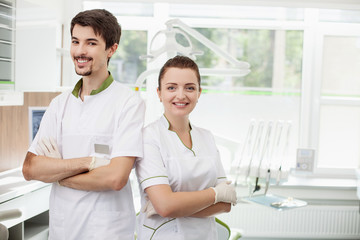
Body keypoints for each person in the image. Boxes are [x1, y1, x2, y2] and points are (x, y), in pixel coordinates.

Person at [22, 9, 145, 240]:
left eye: (91, 43)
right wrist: (90, 163)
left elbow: (115, 178)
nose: (80, 51)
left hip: (107, 231)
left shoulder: (128, 103)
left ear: (112, 49)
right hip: (64, 229)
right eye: (75, 41)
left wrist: (57, 172)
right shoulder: (59, 104)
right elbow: (30, 168)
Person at [135, 55, 237, 240]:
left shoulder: (206, 137)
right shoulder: (148, 137)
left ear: (199, 93)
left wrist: (172, 205)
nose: (181, 95)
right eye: (171, 87)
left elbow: (226, 204)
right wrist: (215, 193)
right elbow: (166, 206)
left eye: (189, 88)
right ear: (159, 93)